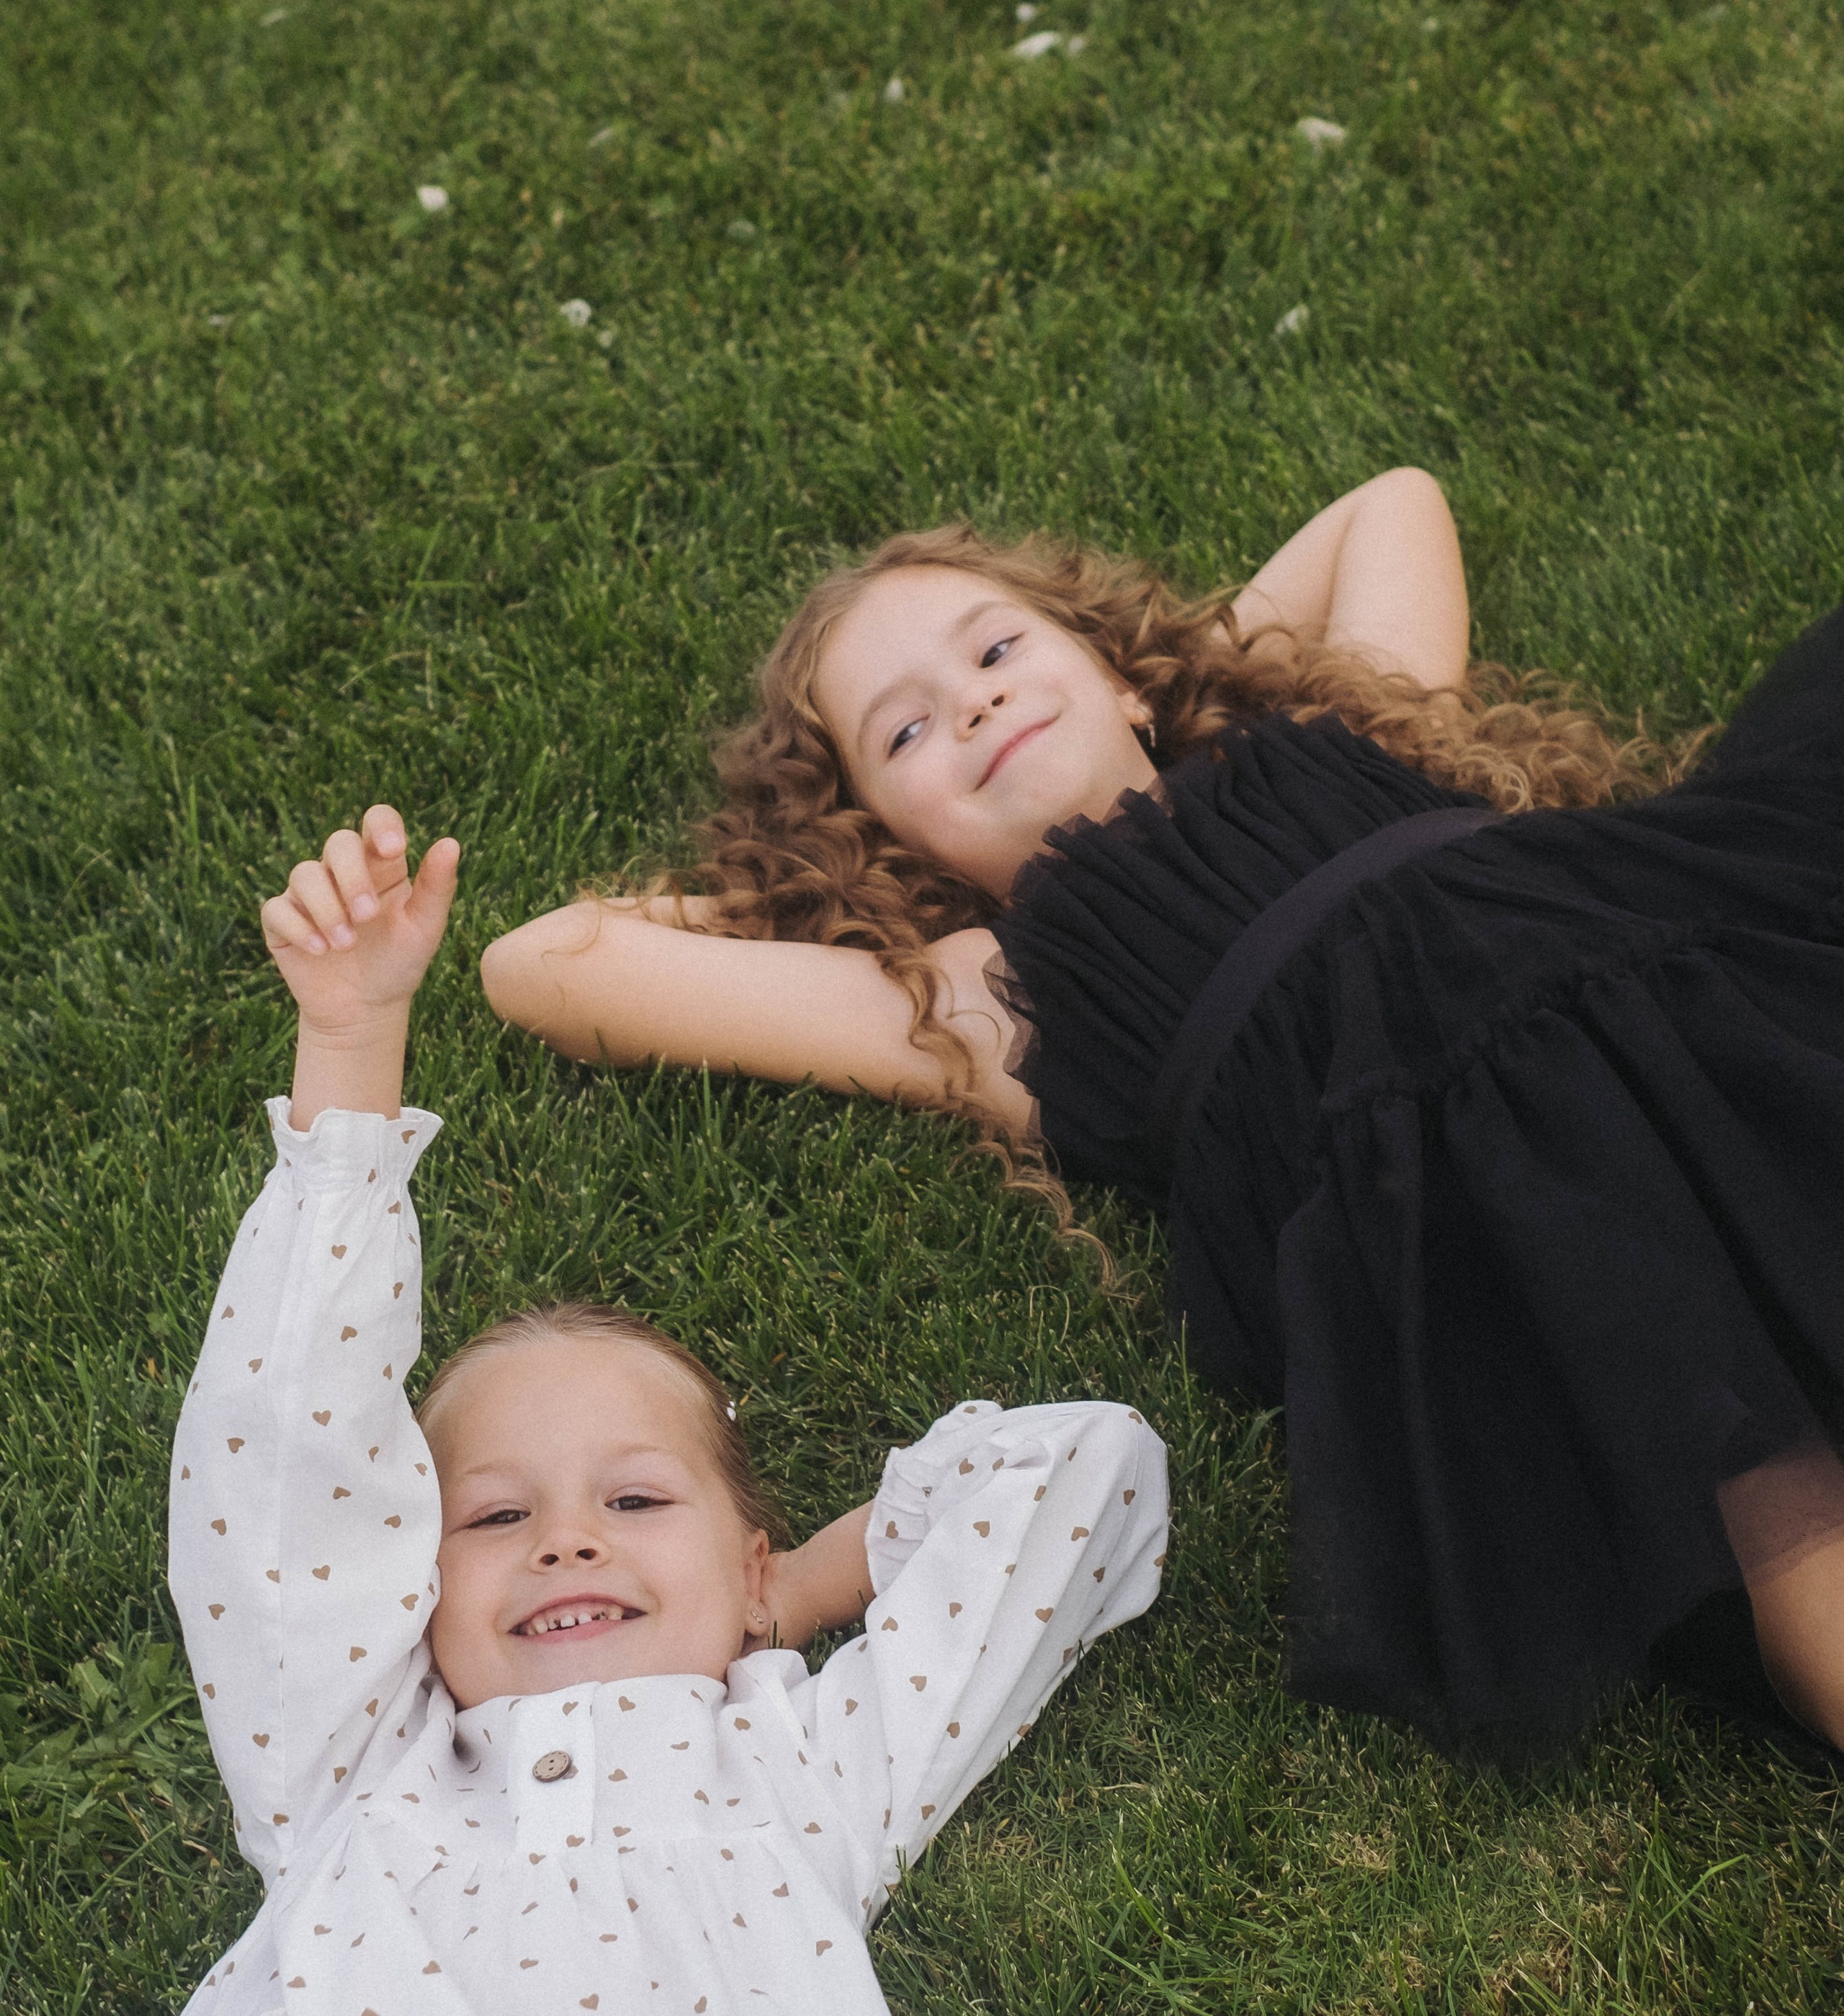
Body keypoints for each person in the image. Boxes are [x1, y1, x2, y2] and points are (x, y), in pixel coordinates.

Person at [1, 807, 1169, 2016]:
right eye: (490, 1519)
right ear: (405, 1590)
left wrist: (795, 1597)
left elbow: (1075, 1474)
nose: (566, 1540)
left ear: (741, 1564)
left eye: (632, 1498)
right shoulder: (353, 1764)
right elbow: (282, 1456)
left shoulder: (799, 1769)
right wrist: (348, 1050)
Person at [480, 469, 1844, 1763]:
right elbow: (543, 963)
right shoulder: (988, 994)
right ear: (889, 840)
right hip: (1508, 1176)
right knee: (1754, 1461)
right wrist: (813, 891)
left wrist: (1185, 678)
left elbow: (1392, 505)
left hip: (1686, 975)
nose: (970, 707)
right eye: (903, 732)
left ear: (1123, 672)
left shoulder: (1332, 726)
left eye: (999, 652)